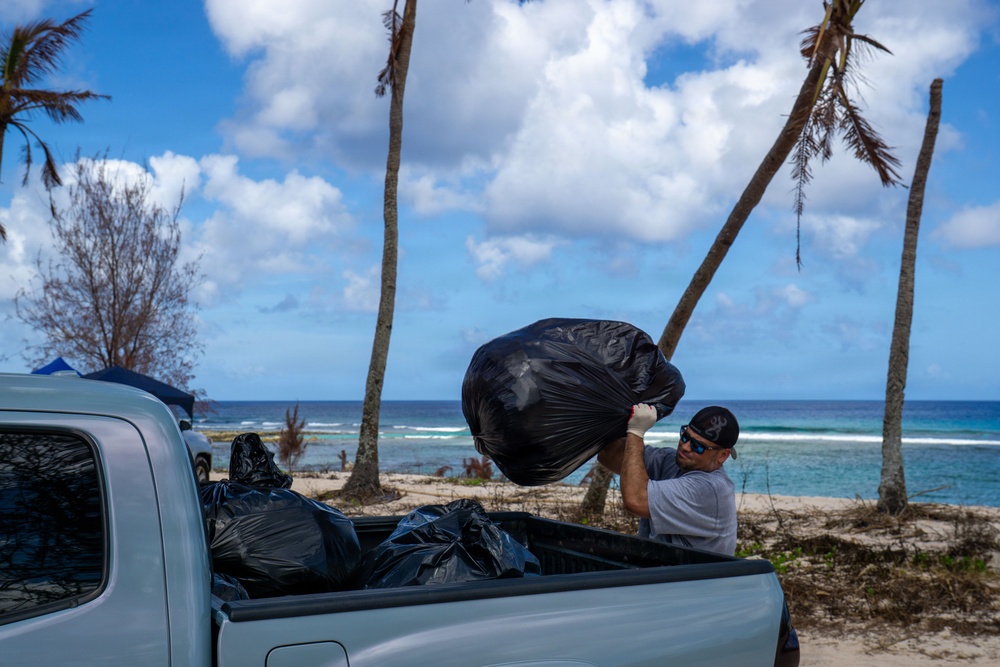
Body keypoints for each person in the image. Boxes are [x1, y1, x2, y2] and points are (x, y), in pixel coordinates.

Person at [597, 403, 739, 555]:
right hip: (662, 572)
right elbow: (609, 456)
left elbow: (635, 501)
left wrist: (636, 432)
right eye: (685, 436)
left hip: (691, 578)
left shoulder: (710, 489)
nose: (685, 447)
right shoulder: (672, 461)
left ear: (722, 456)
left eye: (698, 446)